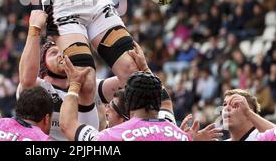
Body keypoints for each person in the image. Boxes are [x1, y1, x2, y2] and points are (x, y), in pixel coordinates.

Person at [18, 9, 154, 140]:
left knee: (89, 85)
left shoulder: (90, 83)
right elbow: (26, 80)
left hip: (83, 147)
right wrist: (34, 31)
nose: (61, 54)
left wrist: (142, 67)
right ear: (43, 64)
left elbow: (132, 80)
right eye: (53, 53)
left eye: (63, 50)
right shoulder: (38, 88)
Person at [59, 58, 221, 141]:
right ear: (157, 102)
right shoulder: (180, 135)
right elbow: (166, 101)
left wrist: (74, 85)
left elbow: (68, 125)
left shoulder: (111, 136)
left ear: (127, 102)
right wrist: (144, 67)